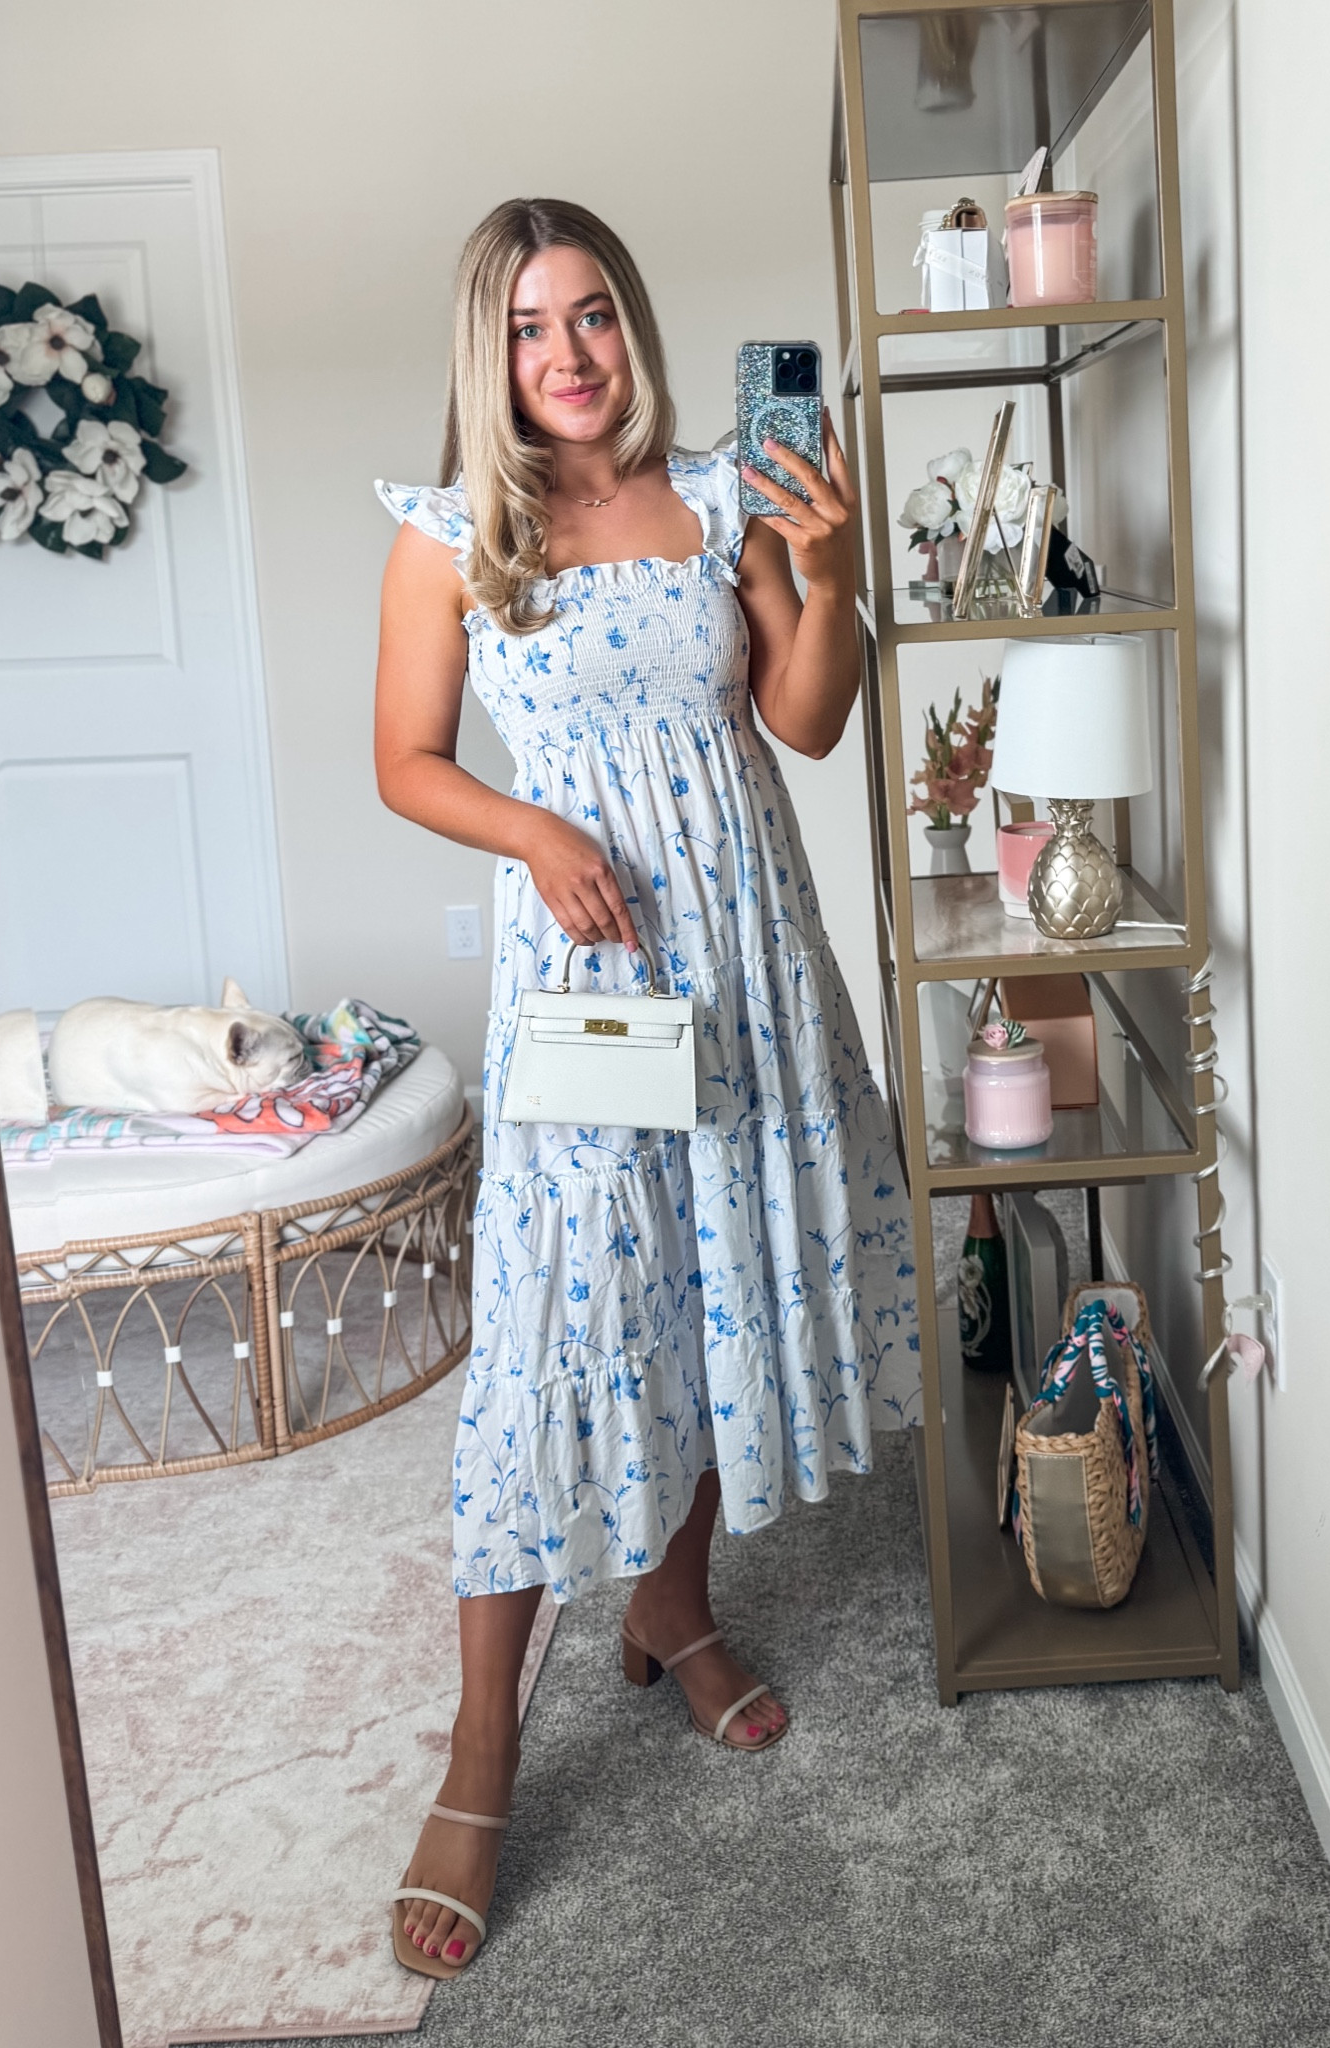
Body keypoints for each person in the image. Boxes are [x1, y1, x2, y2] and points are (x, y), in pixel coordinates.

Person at [374, 196, 920, 1980]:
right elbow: (405, 759)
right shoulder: (453, 529)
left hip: (747, 965)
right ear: (494, 353)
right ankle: (479, 1754)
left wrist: (827, 575)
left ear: (633, 322)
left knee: (710, 1289)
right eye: (534, 328)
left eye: (594, 314)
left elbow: (811, 719)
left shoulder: (718, 499)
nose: (572, 355)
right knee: (553, 1326)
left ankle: (675, 1607)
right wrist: (532, 830)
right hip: (588, 982)